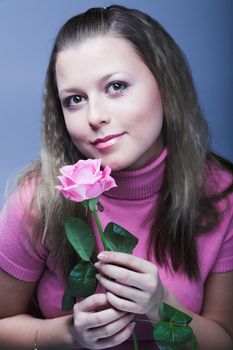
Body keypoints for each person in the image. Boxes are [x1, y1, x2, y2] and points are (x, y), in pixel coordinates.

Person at [0, 4, 232, 350]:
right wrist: (68, 334)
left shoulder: (221, 195)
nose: (95, 116)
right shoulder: (39, 199)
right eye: (75, 99)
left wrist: (161, 303)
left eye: (116, 87)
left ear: (165, 84)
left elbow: (225, 340)